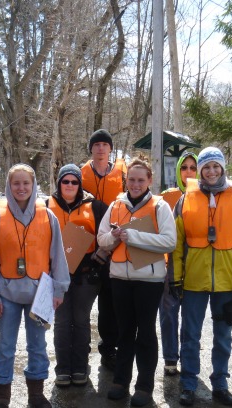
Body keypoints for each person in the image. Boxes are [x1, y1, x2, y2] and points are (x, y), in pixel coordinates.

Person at [169, 147, 232, 406]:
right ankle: (188, 384)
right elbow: (176, 244)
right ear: (199, 171)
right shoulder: (186, 199)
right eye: (206, 167)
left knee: (223, 336)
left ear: (222, 168)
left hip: (227, 282)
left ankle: (220, 382)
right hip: (194, 282)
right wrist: (175, 278)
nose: (211, 171)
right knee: (190, 335)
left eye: (215, 166)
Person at [0, 163, 70, 408]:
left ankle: (36, 394)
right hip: (6, 295)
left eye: (26, 183)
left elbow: (57, 255)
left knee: (38, 346)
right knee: (6, 346)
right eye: (16, 183)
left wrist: (59, 288)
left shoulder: (47, 216)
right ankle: (1, 395)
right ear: (9, 186)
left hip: (39, 293)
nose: (21, 188)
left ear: (33, 186)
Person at [96, 158, 177, 407]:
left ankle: (144, 386)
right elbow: (101, 239)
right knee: (124, 332)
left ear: (149, 181)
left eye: (141, 180)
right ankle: (121, 381)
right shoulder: (116, 205)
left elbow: (169, 242)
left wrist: (134, 236)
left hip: (149, 280)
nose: (136, 184)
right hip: (119, 278)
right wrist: (113, 235)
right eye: (131, 179)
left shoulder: (159, 206)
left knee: (146, 333)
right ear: (126, 180)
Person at [46, 164, 108, 387]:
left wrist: (97, 265)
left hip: (85, 276)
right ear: (59, 183)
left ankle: (80, 367)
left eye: (74, 182)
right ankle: (63, 368)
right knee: (62, 322)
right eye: (65, 181)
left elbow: (106, 239)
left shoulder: (96, 207)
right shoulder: (46, 206)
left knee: (81, 321)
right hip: (56, 277)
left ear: (80, 184)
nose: (70, 185)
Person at [80, 129, 127, 369]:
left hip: (113, 243)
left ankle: (109, 347)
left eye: (104, 145)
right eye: (96, 144)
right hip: (85, 242)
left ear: (110, 149)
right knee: (83, 298)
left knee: (109, 302)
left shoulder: (122, 174)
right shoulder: (80, 173)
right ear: (91, 149)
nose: (100, 149)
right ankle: (81, 346)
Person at [158, 151, 198, 376]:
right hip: (168, 265)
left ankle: (189, 357)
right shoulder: (166, 196)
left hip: (194, 265)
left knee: (191, 316)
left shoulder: (203, 196)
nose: (189, 172)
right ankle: (170, 358)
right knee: (168, 314)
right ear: (178, 171)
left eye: (193, 168)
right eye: (185, 168)